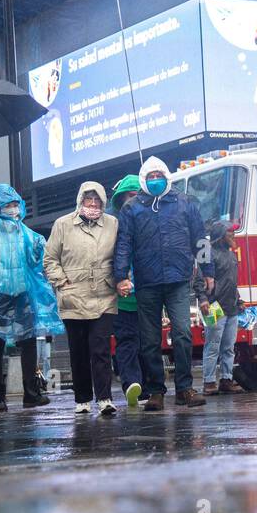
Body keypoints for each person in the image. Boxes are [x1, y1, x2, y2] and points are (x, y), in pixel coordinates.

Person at [113, 156, 210, 410]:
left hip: (178, 280)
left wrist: (208, 270)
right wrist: (121, 275)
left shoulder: (184, 202)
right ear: (144, 180)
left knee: (182, 334)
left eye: (159, 176)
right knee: (150, 339)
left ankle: (185, 389)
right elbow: (123, 244)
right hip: (147, 282)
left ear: (167, 177)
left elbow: (201, 238)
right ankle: (155, 391)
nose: (155, 180)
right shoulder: (131, 208)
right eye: (151, 177)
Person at [0, 184, 61, 411]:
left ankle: (30, 393)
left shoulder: (26, 233)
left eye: (16, 204)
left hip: (21, 294)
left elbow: (38, 260)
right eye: (8, 204)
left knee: (27, 342)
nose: (13, 209)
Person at [44, 182, 120, 415]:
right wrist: (62, 283)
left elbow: (121, 253)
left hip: (104, 295)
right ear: (80, 200)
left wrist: (122, 277)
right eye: (89, 199)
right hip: (73, 297)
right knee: (78, 350)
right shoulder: (63, 224)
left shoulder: (112, 224)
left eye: (97, 199)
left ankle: (105, 398)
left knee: (100, 348)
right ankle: (82, 400)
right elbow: (50, 259)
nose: (93, 204)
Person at [109, 174, 152, 406]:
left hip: (149, 297)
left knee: (148, 343)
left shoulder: (155, 225)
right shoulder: (112, 228)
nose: (134, 201)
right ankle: (132, 385)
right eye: (130, 196)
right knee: (127, 341)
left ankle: (148, 387)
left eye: (138, 196)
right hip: (123, 298)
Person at [196, 221, 246, 397]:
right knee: (212, 346)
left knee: (228, 347)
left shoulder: (231, 256)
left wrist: (238, 300)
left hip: (231, 308)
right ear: (220, 236)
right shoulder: (209, 255)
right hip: (214, 307)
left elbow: (232, 281)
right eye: (229, 232)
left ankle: (226, 379)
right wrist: (203, 299)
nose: (233, 235)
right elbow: (199, 280)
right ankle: (209, 382)